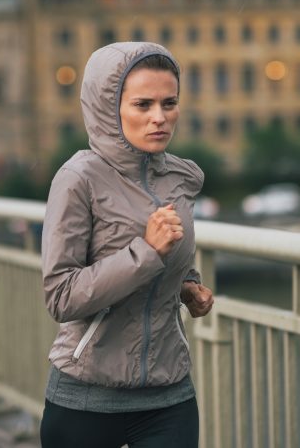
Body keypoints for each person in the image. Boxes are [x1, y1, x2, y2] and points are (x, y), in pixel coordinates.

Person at [39, 42, 214, 448]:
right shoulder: (78, 178)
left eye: (169, 103)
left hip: (169, 394)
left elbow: (173, 263)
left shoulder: (179, 178)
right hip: (87, 398)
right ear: (108, 106)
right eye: (143, 104)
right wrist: (146, 253)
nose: (159, 117)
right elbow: (60, 296)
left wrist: (188, 286)